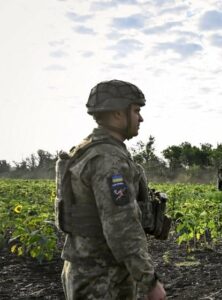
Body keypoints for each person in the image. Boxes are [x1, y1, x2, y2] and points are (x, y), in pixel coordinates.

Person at [56, 79, 166, 300]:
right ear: (117, 114)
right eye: (136, 110)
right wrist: (149, 281)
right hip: (103, 279)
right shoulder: (109, 160)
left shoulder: (86, 150)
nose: (141, 118)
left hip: (84, 271)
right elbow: (121, 227)